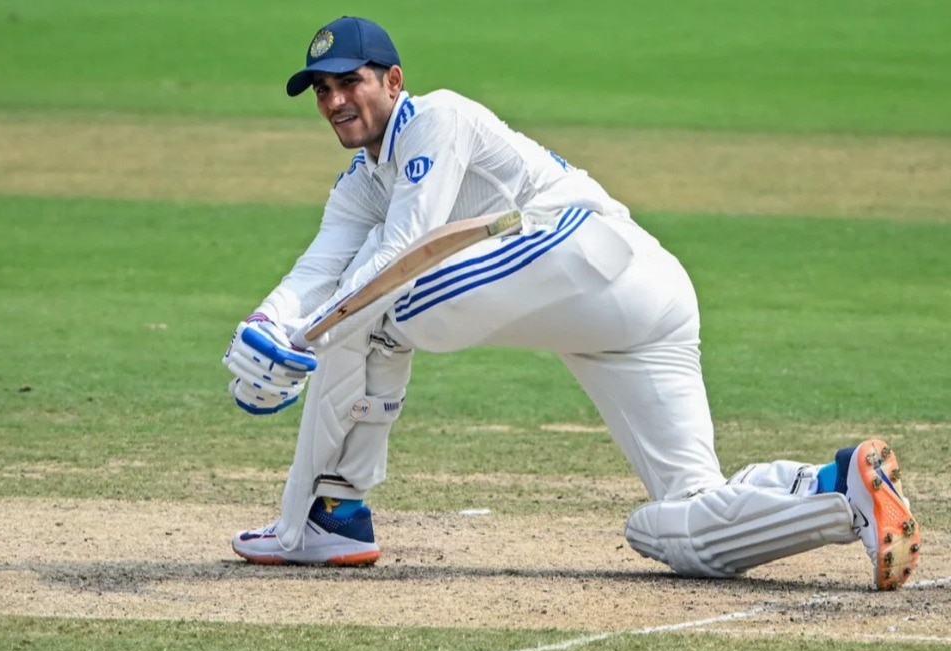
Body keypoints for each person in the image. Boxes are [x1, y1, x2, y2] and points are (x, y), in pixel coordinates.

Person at [221, 16, 921, 589]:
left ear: (393, 80)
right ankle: (838, 488)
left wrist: (303, 343)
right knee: (677, 527)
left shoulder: (438, 118)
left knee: (382, 310)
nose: (336, 100)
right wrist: (265, 326)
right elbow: (320, 265)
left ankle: (328, 513)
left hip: (585, 247)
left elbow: (407, 250)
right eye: (322, 90)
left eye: (350, 81)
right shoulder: (358, 183)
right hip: (637, 307)